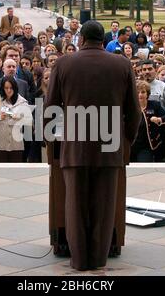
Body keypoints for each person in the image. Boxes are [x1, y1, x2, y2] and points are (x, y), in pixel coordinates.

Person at [44, 20, 141, 271]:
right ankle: (98, 259)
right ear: (103, 39)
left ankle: (79, 261)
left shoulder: (64, 63)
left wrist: (51, 142)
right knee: (105, 205)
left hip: (75, 144)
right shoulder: (121, 64)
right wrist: (126, 139)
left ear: (81, 39)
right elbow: (133, 109)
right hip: (110, 144)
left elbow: (50, 107)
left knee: (74, 206)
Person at [0, 76, 32, 162]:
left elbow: (29, 121)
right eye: (6, 88)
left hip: (16, 145)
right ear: (2, 88)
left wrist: (19, 117)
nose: (9, 90)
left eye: (11, 88)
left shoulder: (23, 102)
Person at [130, 81, 165, 162]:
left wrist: (159, 119)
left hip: (146, 147)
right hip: (130, 146)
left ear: (147, 94)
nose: (140, 94)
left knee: (144, 166)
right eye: (137, 92)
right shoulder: (129, 107)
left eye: (143, 92)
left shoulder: (154, 105)